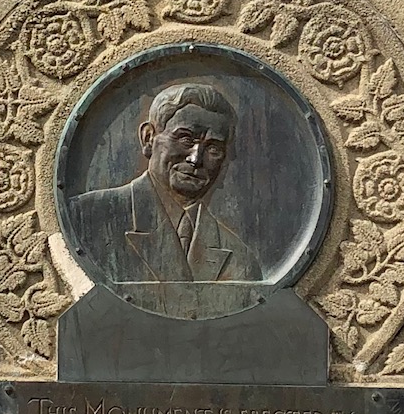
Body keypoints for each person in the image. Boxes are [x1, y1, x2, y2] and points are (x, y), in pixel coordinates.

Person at [69, 81, 262, 287]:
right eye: (186, 139)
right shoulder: (85, 219)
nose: (196, 159)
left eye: (213, 149)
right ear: (149, 138)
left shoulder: (241, 260)